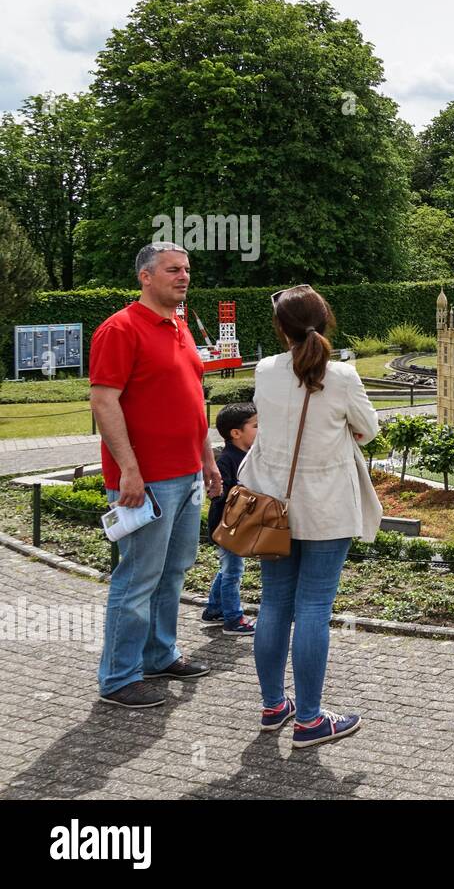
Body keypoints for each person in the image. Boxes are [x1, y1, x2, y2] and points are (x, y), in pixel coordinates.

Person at [239, 285, 381, 748]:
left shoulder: (265, 370)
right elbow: (369, 428)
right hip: (325, 506)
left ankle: (274, 706)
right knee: (314, 608)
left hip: (273, 504)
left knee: (274, 604)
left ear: (280, 328)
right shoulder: (342, 375)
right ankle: (311, 720)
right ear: (327, 321)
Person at [91, 242, 222, 708]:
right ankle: (118, 677)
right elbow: (104, 401)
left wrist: (207, 461)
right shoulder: (120, 329)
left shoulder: (181, 327)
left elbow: (193, 402)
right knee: (137, 577)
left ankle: (159, 654)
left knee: (173, 572)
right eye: (173, 270)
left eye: (186, 269)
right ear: (146, 276)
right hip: (145, 482)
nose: (184, 277)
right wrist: (128, 469)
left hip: (186, 475)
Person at [202, 403, 259, 635]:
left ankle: (214, 609)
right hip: (227, 528)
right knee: (234, 571)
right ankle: (233, 619)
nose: (261, 430)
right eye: (256, 426)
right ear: (236, 433)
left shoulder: (247, 456)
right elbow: (222, 495)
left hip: (238, 527)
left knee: (228, 568)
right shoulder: (227, 460)